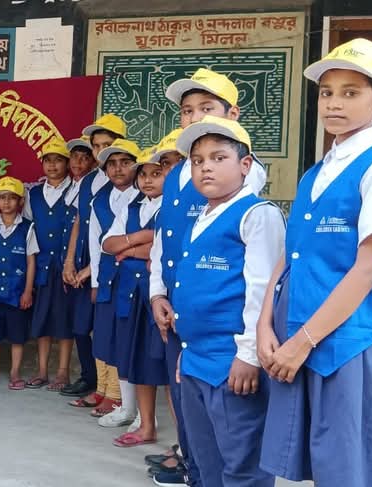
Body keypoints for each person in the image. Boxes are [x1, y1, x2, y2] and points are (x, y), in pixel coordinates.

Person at [259, 38, 372, 487]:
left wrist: (302, 342)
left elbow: (368, 268)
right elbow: (289, 257)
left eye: (351, 93)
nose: (333, 103)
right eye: (327, 92)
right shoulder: (317, 172)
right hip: (292, 334)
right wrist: (265, 326)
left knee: (347, 471)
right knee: (313, 463)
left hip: (341, 343)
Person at [149, 67, 269, 487]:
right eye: (187, 111)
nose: (195, 117)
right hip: (184, 321)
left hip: (225, 335)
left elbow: (259, 283)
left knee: (234, 438)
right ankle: (193, 470)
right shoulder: (179, 178)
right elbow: (164, 237)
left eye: (207, 108)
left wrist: (250, 352)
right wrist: (157, 292)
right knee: (191, 412)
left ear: (232, 114)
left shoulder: (244, 184)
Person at [172, 116, 283, 487]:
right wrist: (186, 351)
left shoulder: (257, 214)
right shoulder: (201, 218)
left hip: (231, 363)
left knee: (242, 465)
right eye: (198, 160)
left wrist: (249, 355)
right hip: (195, 359)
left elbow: (263, 290)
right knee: (205, 462)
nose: (206, 167)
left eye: (219, 158)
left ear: (245, 165)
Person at [100, 147, 167, 448]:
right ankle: (141, 420)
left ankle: (168, 430)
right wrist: (139, 240)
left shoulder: (173, 207)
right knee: (134, 356)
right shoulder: (132, 206)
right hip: (130, 291)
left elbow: (162, 249)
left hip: (157, 294)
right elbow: (107, 244)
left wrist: (128, 250)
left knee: (160, 360)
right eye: (144, 174)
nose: (148, 180)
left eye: (156, 174)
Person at [89, 139, 141, 429]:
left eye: (125, 162)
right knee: (105, 334)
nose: (118, 169)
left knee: (127, 338)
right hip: (108, 277)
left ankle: (123, 398)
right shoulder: (99, 199)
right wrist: (95, 280)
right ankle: (108, 392)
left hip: (134, 279)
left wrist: (124, 247)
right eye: (112, 164)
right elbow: (97, 244)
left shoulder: (143, 197)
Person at [23, 138, 79, 391]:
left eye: (58, 160)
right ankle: (42, 370)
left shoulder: (75, 190)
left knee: (64, 320)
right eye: (48, 160)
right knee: (42, 318)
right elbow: (28, 230)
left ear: (67, 164)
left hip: (66, 266)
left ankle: (63, 372)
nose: (53, 165)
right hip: (42, 266)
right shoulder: (34, 194)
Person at [0, 176, 38, 390]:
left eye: (12, 198)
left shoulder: (27, 227)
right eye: (2, 197)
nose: (6, 202)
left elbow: (31, 261)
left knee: (17, 335)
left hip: (16, 291)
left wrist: (28, 290)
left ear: (20, 201)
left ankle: (14, 372)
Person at [59, 136, 103, 401]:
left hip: (105, 264)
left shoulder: (120, 182)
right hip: (81, 260)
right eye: (97, 146)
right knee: (79, 326)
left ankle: (108, 388)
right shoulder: (87, 182)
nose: (101, 152)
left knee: (103, 330)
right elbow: (79, 221)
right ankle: (90, 377)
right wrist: (69, 261)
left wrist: (91, 268)